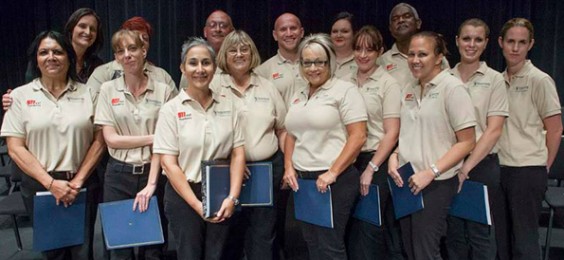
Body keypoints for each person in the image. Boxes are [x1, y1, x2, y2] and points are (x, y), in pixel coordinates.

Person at [1, 30, 105, 259]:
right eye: (44, 52)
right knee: (54, 253)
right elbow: (15, 148)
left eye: (58, 52)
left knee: (83, 252)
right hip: (40, 185)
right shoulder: (19, 96)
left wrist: (77, 181)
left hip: (82, 182)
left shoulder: (89, 93)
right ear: (36, 59)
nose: (51, 57)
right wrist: (50, 184)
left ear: (69, 57)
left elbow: (100, 140)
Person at [153, 37, 245, 260]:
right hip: (184, 195)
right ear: (182, 68)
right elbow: (168, 163)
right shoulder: (170, 110)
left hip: (220, 193)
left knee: (219, 255)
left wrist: (232, 197)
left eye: (206, 63)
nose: (200, 69)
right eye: (193, 63)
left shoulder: (229, 105)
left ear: (214, 68)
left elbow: (238, 153)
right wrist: (197, 205)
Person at [387, 31, 476, 259]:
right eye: (411, 54)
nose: (415, 60)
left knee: (426, 252)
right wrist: (394, 155)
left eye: (423, 54)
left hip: (435, 183)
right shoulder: (409, 88)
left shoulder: (452, 88)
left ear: (438, 57)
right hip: (407, 180)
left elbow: (467, 142)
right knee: (410, 249)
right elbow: (410, 132)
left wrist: (431, 172)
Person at [283, 33, 367, 260]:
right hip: (304, 181)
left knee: (329, 244)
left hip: (333, 181)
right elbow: (291, 134)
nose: (313, 68)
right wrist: (289, 166)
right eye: (307, 62)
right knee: (311, 241)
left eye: (319, 61)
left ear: (330, 61)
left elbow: (358, 136)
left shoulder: (345, 91)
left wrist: (333, 172)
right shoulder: (299, 93)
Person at [94, 29, 177, 259]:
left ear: (144, 51)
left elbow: (167, 144)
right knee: (120, 247)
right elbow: (111, 139)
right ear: (116, 58)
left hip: (155, 172)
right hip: (118, 174)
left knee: (154, 247)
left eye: (132, 49)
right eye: (120, 51)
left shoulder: (164, 90)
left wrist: (152, 181)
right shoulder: (107, 90)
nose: (127, 55)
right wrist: (153, 137)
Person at [211, 30, 287, 260]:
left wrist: (289, 166)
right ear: (224, 54)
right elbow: (206, 130)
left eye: (244, 49)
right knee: (228, 235)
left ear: (252, 53)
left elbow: (282, 129)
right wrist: (231, 160)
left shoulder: (267, 87)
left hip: (266, 170)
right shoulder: (212, 85)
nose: (239, 54)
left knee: (263, 235)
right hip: (226, 171)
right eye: (233, 50)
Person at [497, 18, 562, 260]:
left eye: (521, 42)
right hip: (500, 167)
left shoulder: (540, 80)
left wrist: (543, 167)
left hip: (527, 169)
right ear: (501, 43)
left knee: (524, 243)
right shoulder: (496, 81)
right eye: (511, 41)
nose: (515, 48)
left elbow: (555, 129)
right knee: (502, 241)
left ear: (531, 44)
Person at [445, 18, 509, 260]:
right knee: (453, 236)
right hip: (449, 163)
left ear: (486, 44)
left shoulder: (494, 80)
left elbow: (494, 130)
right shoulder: (444, 78)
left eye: (478, 39)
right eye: (466, 38)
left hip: (480, 165)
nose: (471, 44)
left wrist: (466, 168)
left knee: (480, 235)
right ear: (457, 41)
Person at [345, 25, 402, 260]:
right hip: (349, 159)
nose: (363, 55)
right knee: (349, 225)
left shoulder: (388, 83)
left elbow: (392, 132)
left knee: (369, 227)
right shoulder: (344, 80)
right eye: (358, 49)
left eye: (369, 49)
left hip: (375, 159)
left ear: (380, 51)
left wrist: (372, 168)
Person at [3, 8, 104, 109]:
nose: (88, 32)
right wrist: (15, 98)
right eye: (82, 26)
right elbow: (29, 92)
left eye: (93, 29)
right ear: (71, 28)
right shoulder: (47, 59)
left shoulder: (97, 64)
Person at [87, 16, 176, 95]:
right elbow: (90, 107)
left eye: (145, 38)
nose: (141, 42)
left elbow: (175, 109)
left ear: (145, 50)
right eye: (136, 37)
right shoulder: (102, 73)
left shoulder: (162, 76)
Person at [377, 3, 449, 88]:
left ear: (418, 23)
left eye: (406, 16)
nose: (400, 20)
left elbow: (447, 85)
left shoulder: (435, 56)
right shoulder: (381, 61)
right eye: (395, 19)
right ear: (391, 29)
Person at [255, 12, 306, 106]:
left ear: (302, 32)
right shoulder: (262, 71)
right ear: (275, 35)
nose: (289, 33)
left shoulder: (315, 64)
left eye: (293, 28)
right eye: (283, 29)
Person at [178, 10, 235, 88]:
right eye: (212, 25)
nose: (218, 29)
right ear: (205, 32)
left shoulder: (239, 62)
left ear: (232, 32)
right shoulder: (192, 65)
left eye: (223, 26)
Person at [331, 11, 357, 78]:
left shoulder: (362, 60)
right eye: (335, 31)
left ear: (354, 34)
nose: (339, 35)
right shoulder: (324, 58)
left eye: (345, 31)